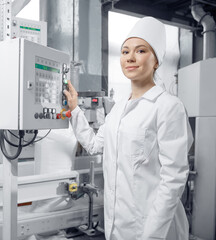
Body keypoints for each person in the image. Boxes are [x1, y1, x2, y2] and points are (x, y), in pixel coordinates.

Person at [63, 17, 193, 240]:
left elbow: (173, 180)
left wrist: (151, 235)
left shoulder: (168, 107)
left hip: (152, 229)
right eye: (124, 52)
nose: (130, 58)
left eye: (141, 51)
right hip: (117, 226)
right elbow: (95, 145)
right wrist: (75, 110)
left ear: (156, 61)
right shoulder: (119, 109)